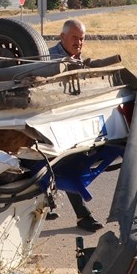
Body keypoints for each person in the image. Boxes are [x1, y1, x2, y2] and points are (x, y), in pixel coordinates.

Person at [47, 19, 103, 232]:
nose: (79, 43)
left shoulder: (77, 59)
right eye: (74, 38)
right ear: (62, 37)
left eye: (82, 39)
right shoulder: (50, 59)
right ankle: (83, 216)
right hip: (52, 124)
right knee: (65, 166)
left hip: (72, 122)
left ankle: (47, 206)